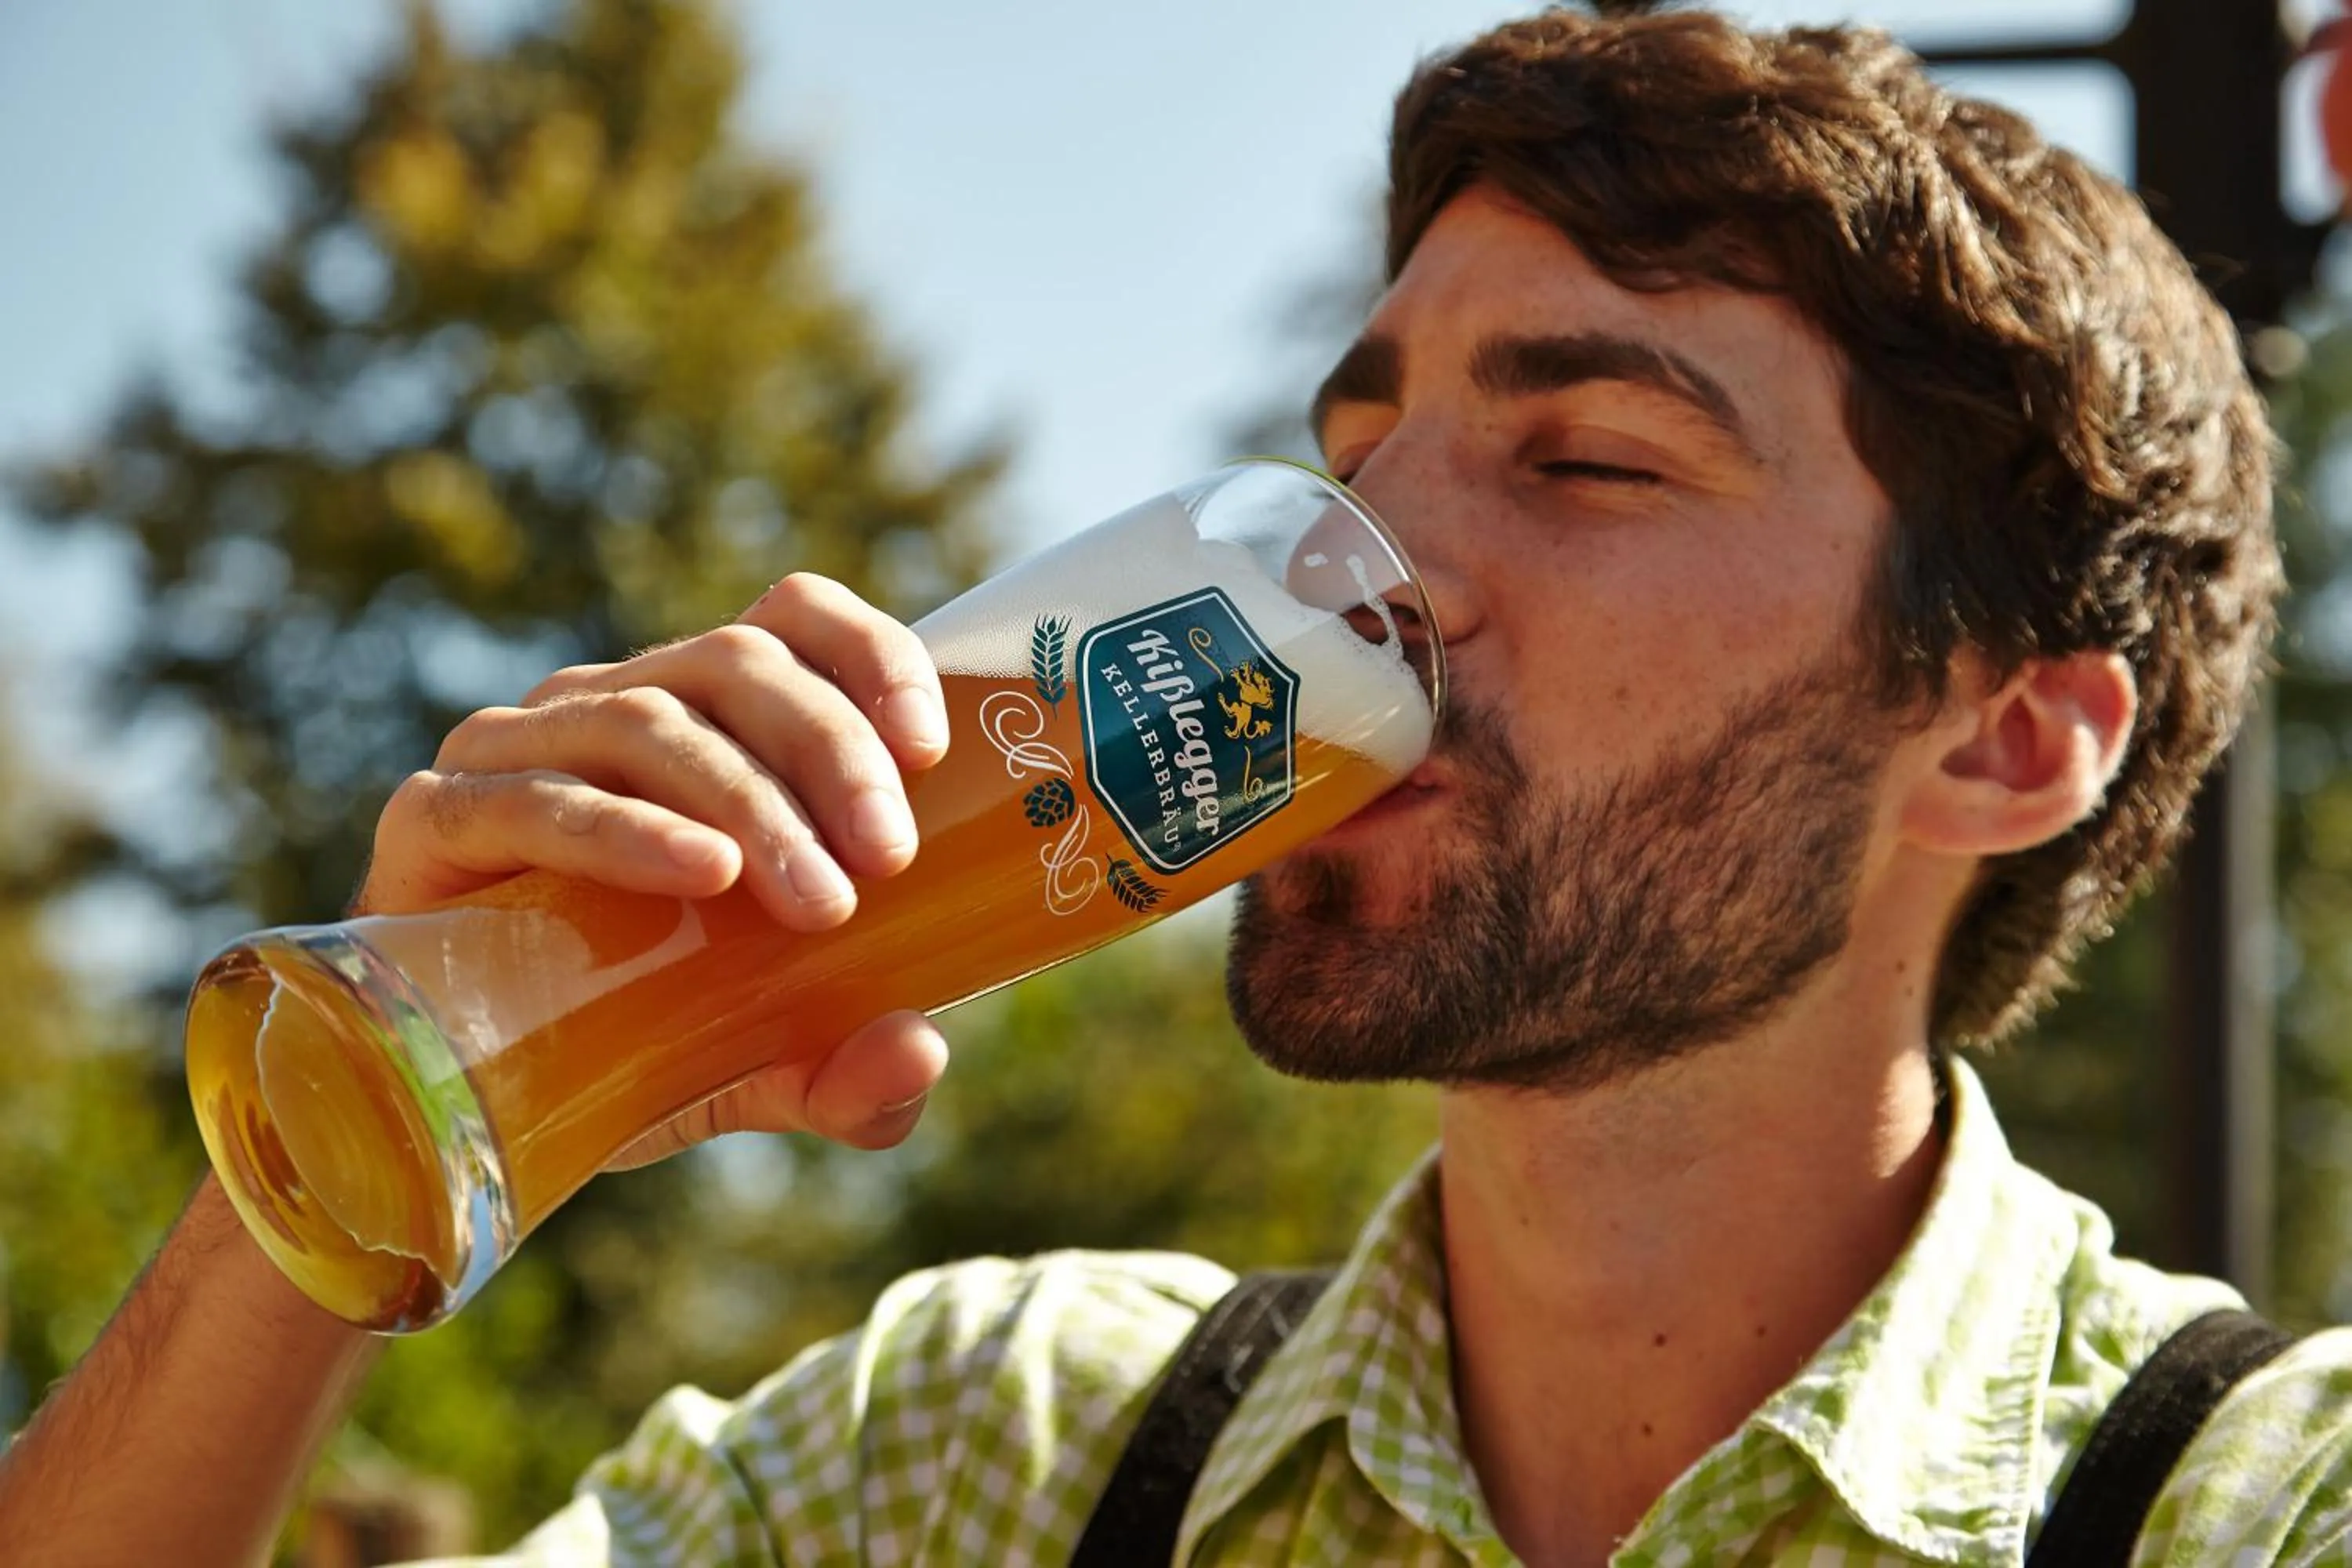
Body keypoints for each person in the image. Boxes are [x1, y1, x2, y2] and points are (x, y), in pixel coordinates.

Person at [2, 8, 2345, 1565]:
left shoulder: (2263, 1508)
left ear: (2009, 733)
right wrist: (348, 1145)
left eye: (1589, 455)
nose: (1378, 572)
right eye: (1356, 456)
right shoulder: (997, 1449)